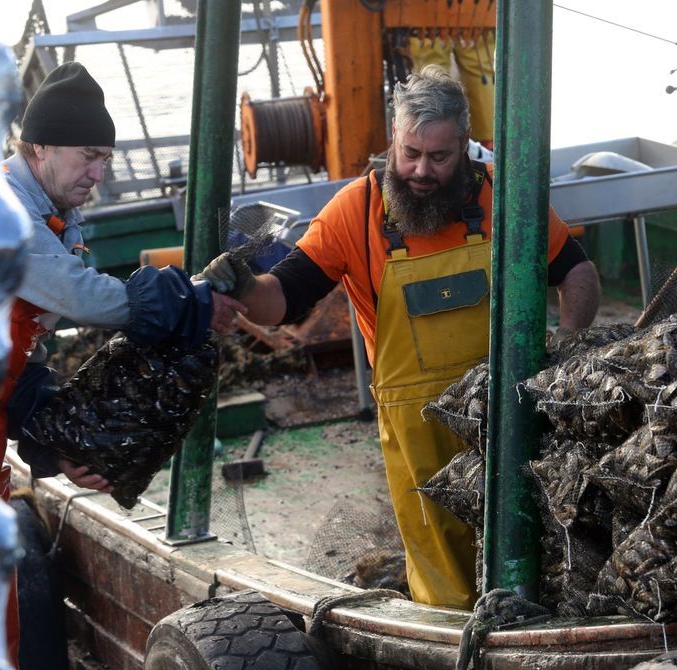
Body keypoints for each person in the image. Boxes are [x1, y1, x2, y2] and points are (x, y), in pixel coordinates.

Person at [199, 66, 600, 609]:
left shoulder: (502, 197)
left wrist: (564, 351)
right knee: (442, 571)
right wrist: (244, 283)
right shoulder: (353, 211)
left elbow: (576, 273)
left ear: (464, 144)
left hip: (510, 410)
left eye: (439, 157)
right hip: (418, 430)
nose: (421, 171)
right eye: (410, 153)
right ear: (393, 136)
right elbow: (284, 302)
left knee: (537, 548)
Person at [0, 61, 244, 500]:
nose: (98, 175)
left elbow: (18, 353)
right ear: (39, 147)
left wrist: (55, 444)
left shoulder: (58, 219)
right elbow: (79, 295)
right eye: (88, 156)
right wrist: (186, 303)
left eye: (104, 160)